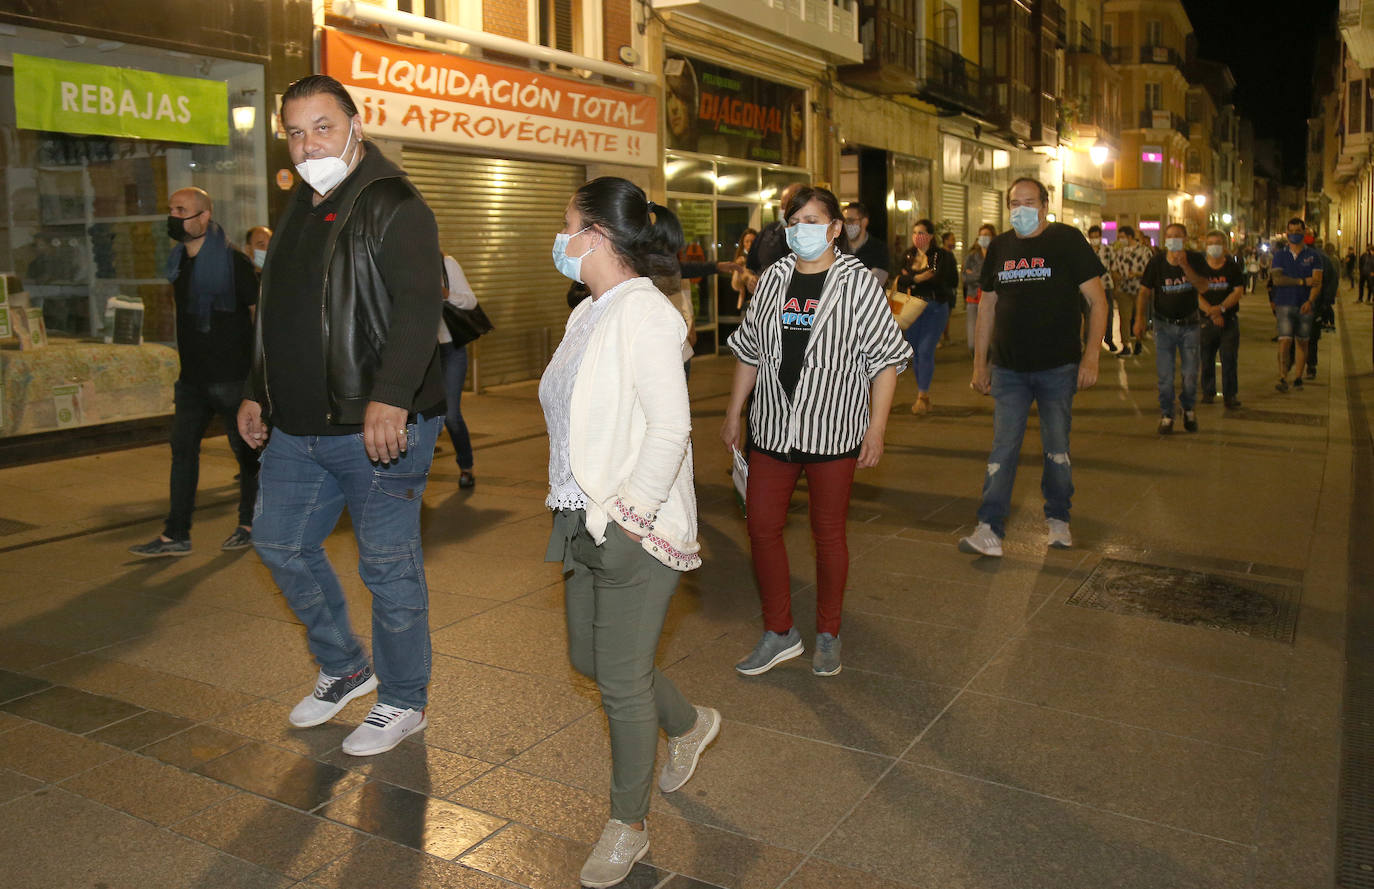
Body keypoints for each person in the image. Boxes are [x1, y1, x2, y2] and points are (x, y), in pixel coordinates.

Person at [237, 75, 446, 757]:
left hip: (377, 426)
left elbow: (420, 305)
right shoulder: (299, 204)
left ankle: (404, 698)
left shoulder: (392, 201)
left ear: (356, 124)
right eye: (295, 132)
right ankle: (346, 666)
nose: (308, 144)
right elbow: (277, 311)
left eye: (322, 127)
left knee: (388, 567)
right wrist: (255, 389)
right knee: (279, 542)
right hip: (297, 427)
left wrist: (391, 393)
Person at [540, 178, 717, 889]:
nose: (560, 243)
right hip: (579, 513)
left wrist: (633, 516)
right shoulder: (587, 311)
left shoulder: (646, 314)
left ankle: (629, 825)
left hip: (631, 523)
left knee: (619, 681)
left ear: (598, 238)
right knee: (591, 657)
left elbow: (672, 426)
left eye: (567, 228)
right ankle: (693, 722)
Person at [723, 185, 910, 677]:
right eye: (794, 220)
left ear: (833, 229)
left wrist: (877, 427)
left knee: (828, 536)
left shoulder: (856, 283)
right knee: (762, 527)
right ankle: (780, 631)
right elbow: (749, 349)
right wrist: (732, 412)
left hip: (833, 429)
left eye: (812, 219)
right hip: (772, 427)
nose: (801, 229)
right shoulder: (774, 279)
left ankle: (829, 632)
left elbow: (887, 360)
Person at [960, 177, 1107, 557]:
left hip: (1057, 367)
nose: (1020, 209)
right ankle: (988, 528)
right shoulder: (1000, 247)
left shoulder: (1067, 240)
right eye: (1014, 202)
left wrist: (1091, 355)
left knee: (1056, 447)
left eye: (1028, 201)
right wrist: (981, 364)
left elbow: (1098, 302)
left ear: (1044, 205)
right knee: (1003, 449)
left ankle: (1058, 519)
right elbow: (987, 307)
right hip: (1009, 368)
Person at [129, 187, 260, 558]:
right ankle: (176, 534)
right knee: (182, 450)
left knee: (246, 452)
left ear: (204, 217)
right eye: (171, 209)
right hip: (192, 380)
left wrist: (257, 375)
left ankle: (250, 523)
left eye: (182, 210)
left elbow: (258, 312)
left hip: (232, 377)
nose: (173, 216)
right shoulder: (178, 262)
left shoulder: (233, 262)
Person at [1135, 223, 1210, 434]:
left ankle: (1188, 408)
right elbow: (1144, 292)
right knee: (1165, 375)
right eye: (1169, 236)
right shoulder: (1157, 262)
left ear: (1185, 238)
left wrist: (1185, 266)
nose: (1173, 240)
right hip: (1164, 325)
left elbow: (1203, 286)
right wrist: (1139, 319)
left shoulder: (1195, 259)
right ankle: (1167, 413)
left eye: (1177, 236)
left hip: (1190, 325)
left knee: (1190, 373)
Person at [893, 218, 958, 414]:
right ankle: (923, 394)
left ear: (930, 236)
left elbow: (945, 280)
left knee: (926, 349)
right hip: (911, 308)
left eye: (921, 233)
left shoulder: (942, 256)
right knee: (915, 351)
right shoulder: (907, 255)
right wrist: (916, 278)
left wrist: (913, 278)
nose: (917, 237)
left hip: (935, 307)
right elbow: (900, 279)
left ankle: (922, 394)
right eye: (914, 233)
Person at [1267, 217, 1323, 393]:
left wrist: (1310, 301)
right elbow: (1277, 279)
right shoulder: (1280, 255)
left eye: (1298, 231)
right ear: (1287, 232)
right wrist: (1301, 281)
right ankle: (1282, 376)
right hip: (1284, 303)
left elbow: (1317, 282)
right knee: (1284, 342)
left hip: (1305, 305)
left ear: (1304, 232)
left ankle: (1298, 377)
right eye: (1291, 231)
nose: (1294, 235)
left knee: (1302, 342)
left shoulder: (1313, 256)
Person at [438, 253, 477, 488]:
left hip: (451, 348)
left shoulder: (446, 264)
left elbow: (471, 301)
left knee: (450, 415)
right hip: (421, 352)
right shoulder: (403, 264)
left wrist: (447, 294)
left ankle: (466, 466)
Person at [1195, 230, 1245, 409]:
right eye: (1210, 243)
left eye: (1217, 242)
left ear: (1224, 246)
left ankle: (1230, 395)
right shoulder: (1200, 268)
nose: (1214, 246)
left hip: (1229, 320)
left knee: (1229, 358)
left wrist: (1221, 309)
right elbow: (1196, 293)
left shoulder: (1232, 267)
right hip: (1206, 321)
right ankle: (1208, 392)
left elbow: (1237, 291)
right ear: (1205, 246)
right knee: (1206, 357)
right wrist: (1211, 312)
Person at [745, 183, 802, 287]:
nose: (783, 210)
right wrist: (750, 279)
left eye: (788, 206)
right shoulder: (768, 232)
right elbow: (749, 269)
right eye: (782, 205)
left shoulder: (812, 237)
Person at [1108, 224, 1152, 356]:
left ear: (1130, 237)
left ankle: (1138, 341)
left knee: (1139, 316)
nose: (1120, 240)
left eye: (1122, 237)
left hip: (1140, 288)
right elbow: (1114, 270)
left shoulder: (1144, 252)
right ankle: (1126, 345)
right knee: (1124, 318)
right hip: (1123, 289)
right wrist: (1118, 278)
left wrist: (1137, 274)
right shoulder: (1119, 252)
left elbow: (1150, 271)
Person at [1306, 244, 1339, 379]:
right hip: (1314, 304)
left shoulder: (1321, 259)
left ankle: (1309, 365)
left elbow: (1330, 281)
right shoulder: (1324, 258)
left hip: (1312, 304)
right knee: (1311, 337)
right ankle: (1310, 365)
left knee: (1309, 337)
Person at [962, 224, 995, 354]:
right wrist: (983, 276)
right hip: (973, 300)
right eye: (981, 235)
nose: (983, 237)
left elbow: (996, 277)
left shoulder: (996, 255)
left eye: (987, 235)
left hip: (992, 301)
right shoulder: (972, 256)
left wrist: (974, 274)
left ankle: (988, 370)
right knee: (972, 344)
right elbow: (965, 277)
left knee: (990, 343)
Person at [842, 201, 890, 284]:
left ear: (864, 222)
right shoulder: (838, 248)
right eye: (844, 221)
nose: (846, 225)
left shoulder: (879, 249)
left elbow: (873, 285)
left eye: (850, 220)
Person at [1087, 224, 1116, 351]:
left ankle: (1109, 338)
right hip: (1088, 288)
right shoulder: (1085, 250)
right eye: (1092, 237)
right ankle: (1089, 341)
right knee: (1089, 315)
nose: (1095, 239)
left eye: (1096, 236)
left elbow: (1114, 267)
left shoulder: (1108, 250)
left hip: (1106, 285)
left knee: (1108, 314)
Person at [731, 228, 758, 309]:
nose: (749, 244)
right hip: (745, 304)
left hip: (759, 303)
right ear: (743, 243)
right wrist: (738, 268)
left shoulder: (762, 259)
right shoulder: (741, 259)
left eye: (752, 241)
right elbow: (736, 285)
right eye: (747, 241)